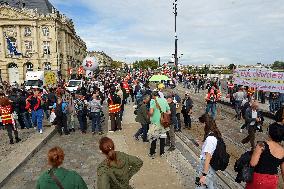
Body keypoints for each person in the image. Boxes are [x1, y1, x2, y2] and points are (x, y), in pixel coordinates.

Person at [246, 121, 284, 189]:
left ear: (269, 133)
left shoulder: (262, 145)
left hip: (258, 178)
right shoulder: (283, 151)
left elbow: (253, 163)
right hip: (272, 180)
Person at [196, 113, 222, 189]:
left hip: (206, 166)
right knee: (210, 185)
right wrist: (202, 144)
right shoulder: (214, 134)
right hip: (210, 167)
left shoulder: (210, 139)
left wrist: (204, 175)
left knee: (200, 185)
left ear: (205, 123)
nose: (201, 126)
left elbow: (208, 158)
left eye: (201, 123)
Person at [148, 91, 171, 158]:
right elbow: (169, 112)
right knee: (162, 139)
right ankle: (162, 153)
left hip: (155, 123)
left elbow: (151, 112)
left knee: (153, 138)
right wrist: (163, 114)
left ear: (153, 96)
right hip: (163, 124)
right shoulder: (164, 100)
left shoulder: (153, 101)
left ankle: (152, 153)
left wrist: (149, 113)